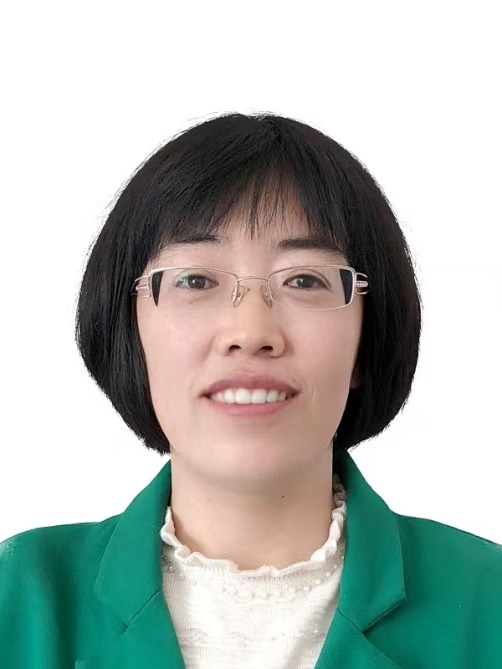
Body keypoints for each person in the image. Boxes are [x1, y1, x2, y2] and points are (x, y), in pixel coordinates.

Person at [1, 112, 500, 668]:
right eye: (195, 280)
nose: (251, 332)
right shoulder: (19, 596)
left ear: (367, 337)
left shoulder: (488, 602)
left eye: (305, 279)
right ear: (131, 334)